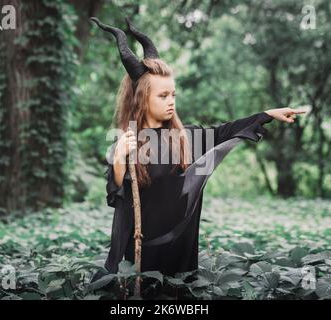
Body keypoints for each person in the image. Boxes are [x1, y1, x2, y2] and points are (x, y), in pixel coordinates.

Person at [89, 17, 306, 293]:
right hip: (140, 256)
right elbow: (116, 195)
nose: (171, 102)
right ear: (142, 98)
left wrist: (267, 115)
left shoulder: (187, 137)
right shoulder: (128, 142)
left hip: (178, 255)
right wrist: (119, 158)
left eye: (173, 95)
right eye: (163, 96)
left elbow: (224, 132)